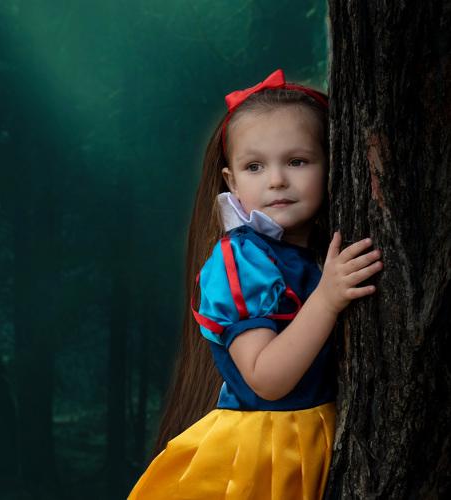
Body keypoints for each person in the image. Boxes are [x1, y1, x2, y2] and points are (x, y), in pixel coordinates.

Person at [128, 68, 384, 499]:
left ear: (333, 164)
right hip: (265, 456)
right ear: (231, 182)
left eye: (297, 161)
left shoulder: (311, 252)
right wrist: (326, 300)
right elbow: (266, 378)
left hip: (310, 437)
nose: (277, 179)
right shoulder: (242, 263)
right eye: (254, 166)